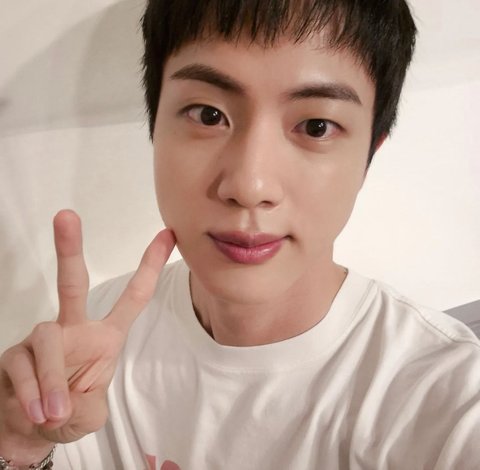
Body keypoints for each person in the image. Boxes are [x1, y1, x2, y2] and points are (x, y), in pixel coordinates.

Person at [1, 0, 479, 469]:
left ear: (368, 155)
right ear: (155, 126)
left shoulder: (443, 396)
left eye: (316, 126)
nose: (250, 187)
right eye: (208, 115)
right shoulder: (93, 340)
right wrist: (18, 446)